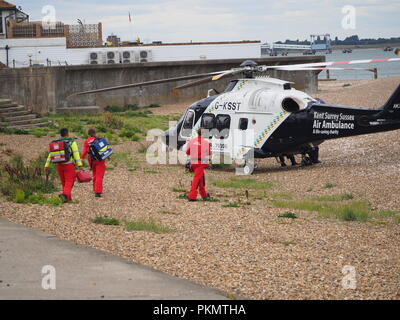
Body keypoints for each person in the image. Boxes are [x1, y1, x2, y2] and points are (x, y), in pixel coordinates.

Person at [44, 128, 82, 202]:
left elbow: (50, 155)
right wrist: (79, 165)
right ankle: (64, 196)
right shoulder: (71, 143)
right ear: (67, 134)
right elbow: (76, 154)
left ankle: (68, 198)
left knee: (64, 182)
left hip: (59, 165)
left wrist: (46, 165)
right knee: (69, 181)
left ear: (60, 134)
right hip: (69, 165)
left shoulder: (56, 143)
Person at [185, 128, 211, 201]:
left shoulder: (192, 141)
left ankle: (204, 195)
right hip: (200, 163)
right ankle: (192, 196)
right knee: (196, 179)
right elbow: (208, 153)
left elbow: (187, 152)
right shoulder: (206, 143)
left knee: (201, 179)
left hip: (193, 163)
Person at [81, 128, 107, 198]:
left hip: (91, 159)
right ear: (95, 133)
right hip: (100, 159)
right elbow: (105, 148)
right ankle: (97, 192)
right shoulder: (100, 139)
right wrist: (108, 156)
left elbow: (84, 152)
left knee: (94, 173)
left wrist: (80, 159)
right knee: (99, 175)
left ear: (88, 134)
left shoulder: (86, 141)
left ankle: (94, 188)